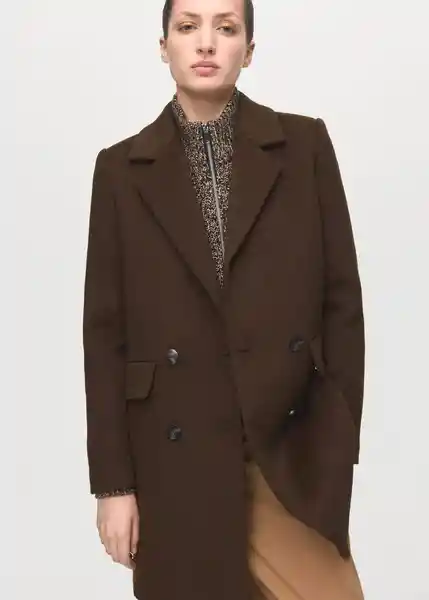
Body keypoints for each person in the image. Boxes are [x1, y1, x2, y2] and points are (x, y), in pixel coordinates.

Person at [82, 0, 366, 599]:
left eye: (226, 28)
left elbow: (343, 302)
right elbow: (105, 337)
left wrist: (337, 437)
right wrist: (113, 486)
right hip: (173, 456)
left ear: (249, 50)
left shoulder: (304, 145)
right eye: (188, 27)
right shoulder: (120, 170)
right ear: (164, 46)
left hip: (288, 445)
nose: (206, 43)